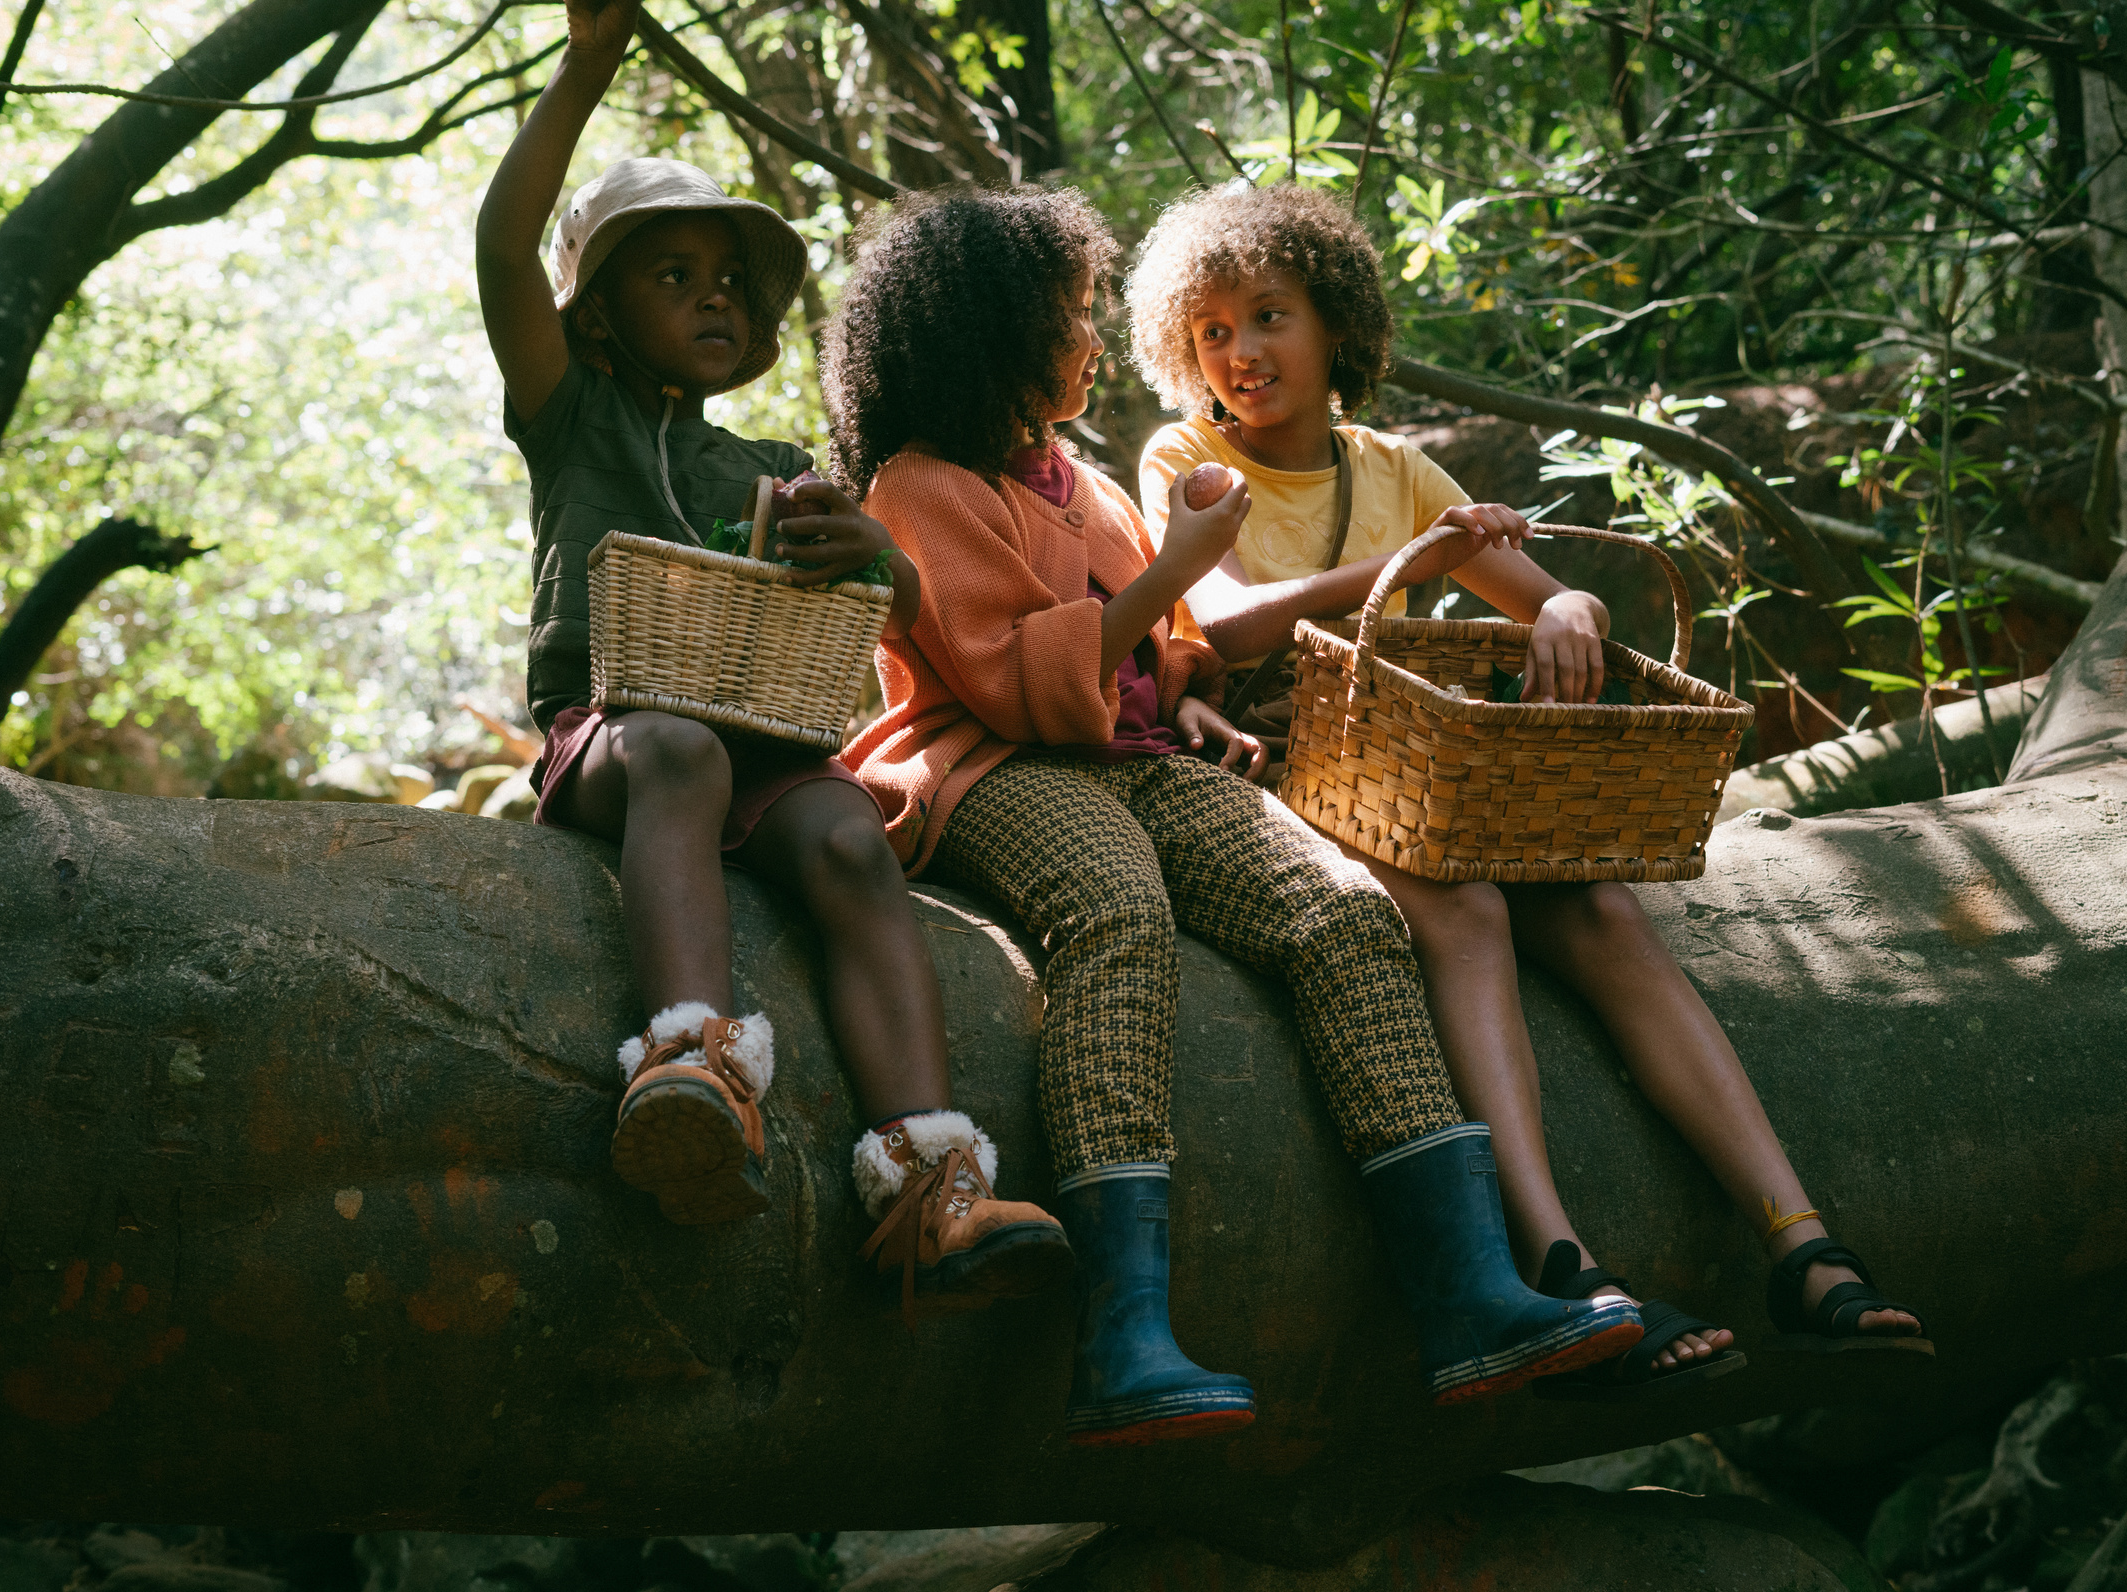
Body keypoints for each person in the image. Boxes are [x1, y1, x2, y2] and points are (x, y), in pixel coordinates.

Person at [823, 183, 1643, 1445]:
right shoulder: (920, 486)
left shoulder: (1081, 482)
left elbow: (1158, 648)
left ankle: (1468, 1290)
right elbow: (1019, 681)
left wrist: (1187, 688)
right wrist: (1177, 569)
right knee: (1114, 909)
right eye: (1072, 316)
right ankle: (1122, 1330)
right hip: (992, 766)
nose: (1095, 342)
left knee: (1343, 912)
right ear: (993, 334)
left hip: (1140, 756)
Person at [1126, 180, 1929, 1397]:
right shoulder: (1185, 457)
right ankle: (1556, 1259)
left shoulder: (1392, 468)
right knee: (1466, 908)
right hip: (1281, 767)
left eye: (1269, 317)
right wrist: (1398, 571)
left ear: (1334, 321)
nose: (1241, 353)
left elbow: (1551, 592)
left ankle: (1802, 1242)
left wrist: (1565, 606)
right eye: (1214, 331)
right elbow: (1226, 628)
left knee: (1601, 906)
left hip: (1418, 770)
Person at [472, 0, 1070, 1323]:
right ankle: (690, 1067)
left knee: (850, 834)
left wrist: (873, 554)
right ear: (601, 316)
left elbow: (899, 612)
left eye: (729, 280)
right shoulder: (570, 414)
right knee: (676, 749)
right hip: (620, 732)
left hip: (772, 743)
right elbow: (503, 246)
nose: (712, 297)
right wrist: (588, 64)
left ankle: (928, 1176)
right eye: (670, 274)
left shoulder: (779, 467)